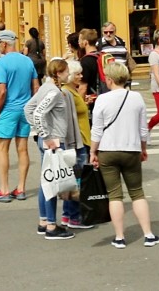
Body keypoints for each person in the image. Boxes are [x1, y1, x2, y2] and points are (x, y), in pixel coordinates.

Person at [90, 61, 159, 249]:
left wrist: (92, 151)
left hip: (107, 150)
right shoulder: (136, 97)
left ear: (109, 79)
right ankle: (148, 234)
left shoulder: (102, 100)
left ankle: (120, 237)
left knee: (115, 195)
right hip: (131, 149)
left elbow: (96, 130)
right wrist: (143, 148)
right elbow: (143, 129)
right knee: (137, 193)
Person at [24, 58, 81, 240]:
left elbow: (29, 108)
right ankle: (50, 224)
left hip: (49, 139)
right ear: (58, 73)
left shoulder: (45, 88)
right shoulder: (54, 92)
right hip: (55, 141)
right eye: (65, 72)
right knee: (53, 182)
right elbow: (38, 112)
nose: (67, 74)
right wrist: (47, 135)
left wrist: (42, 133)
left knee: (46, 180)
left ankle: (44, 222)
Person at [0, 30, 39, 203]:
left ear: (4, 43)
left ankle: (4, 189)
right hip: (24, 109)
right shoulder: (27, 61)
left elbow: (1, 91)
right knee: (22, 148)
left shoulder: (2, 63)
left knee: (2, 148)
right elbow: (36, 87)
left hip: (9, 109)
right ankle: (21, 188)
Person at [60, 62, 94, 230]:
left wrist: (84, 103)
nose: (81, 76)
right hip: (78, 140)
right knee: (77, 181)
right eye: (78, 74)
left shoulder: (72, 91)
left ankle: (67, 215)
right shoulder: (67, 92)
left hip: (81, 139)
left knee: (73, 180)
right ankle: (74, 216)